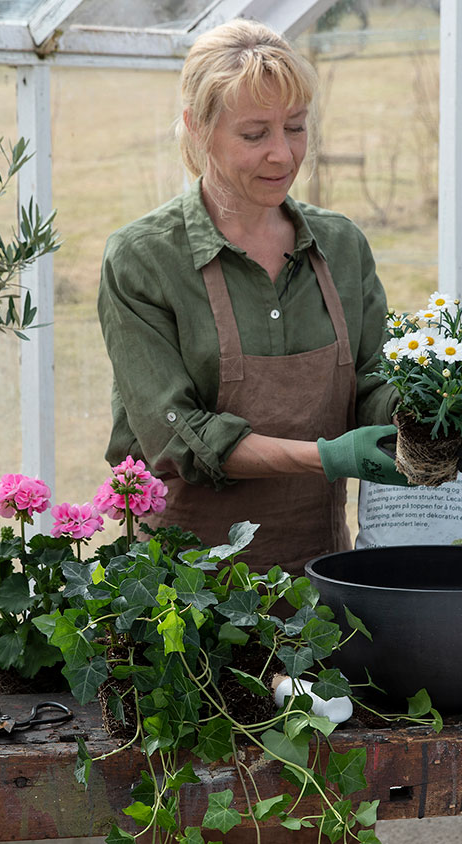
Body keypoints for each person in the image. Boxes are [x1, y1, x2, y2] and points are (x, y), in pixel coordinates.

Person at [97, 19, 410, 575]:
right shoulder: (143, 259)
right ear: (198, 129)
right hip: (181, 595)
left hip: (320, 577)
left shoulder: (340, 245)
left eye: (295, 127)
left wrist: (426, 421)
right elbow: (177, 435)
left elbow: (370, 383)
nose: (283, 155)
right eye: (254, 134)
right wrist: (329, 457)